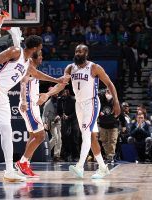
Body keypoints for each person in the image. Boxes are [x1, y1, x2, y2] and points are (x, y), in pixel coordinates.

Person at [0, 34, 68, 182]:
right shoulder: (16, 51)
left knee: (7, 130)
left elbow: (36, 74)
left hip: (2, 94)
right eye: (41, 48)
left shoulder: (28, 62)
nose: (42, 51)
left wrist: (57, 80)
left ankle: (9, 171)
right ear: (36, 48)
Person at [37, 44, 121, 179]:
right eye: (76, 51)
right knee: (92, 137)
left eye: (81, 51)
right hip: (79, 104)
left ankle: (80, 166)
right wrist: (48, 94)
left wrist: (116, 102)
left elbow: (109, 84)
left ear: (86, 54)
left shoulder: (94, 67)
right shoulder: (70, 68)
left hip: (91, 103)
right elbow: (61, 85)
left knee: (86, 135)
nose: (78, 53)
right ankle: (103, 168)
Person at [15, 50, 65, 177]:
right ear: (33, 57)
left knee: (33, 135)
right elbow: (23, 84)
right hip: (29, 105)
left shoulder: (33, 69)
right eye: (40, 55)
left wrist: (57, 80)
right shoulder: (28, 67)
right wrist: (25, 101)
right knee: (41, 135)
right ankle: (22, 162)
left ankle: (25, 164)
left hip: (33, 105)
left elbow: (40, 75)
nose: (42, 57)